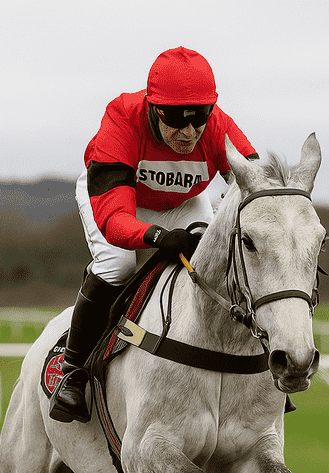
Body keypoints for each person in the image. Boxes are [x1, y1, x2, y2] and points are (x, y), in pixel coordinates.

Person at [49, 46, 259, 423]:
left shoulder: (217, 127)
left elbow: (256, 182)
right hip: (118, 200)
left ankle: (251, 358)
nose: (190, 132)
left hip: (183, 201)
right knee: (118, 262)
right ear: (153, 108)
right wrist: (159, 238)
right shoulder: (121, 119)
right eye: (177, 119)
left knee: (216, 263)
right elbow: (115, 220)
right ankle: (73, 371)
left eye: (200, 118)